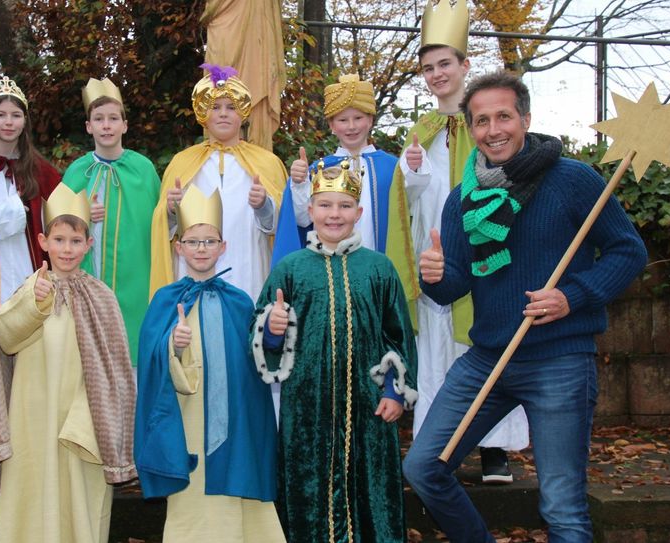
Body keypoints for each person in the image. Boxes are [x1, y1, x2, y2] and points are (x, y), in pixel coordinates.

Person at [401, 71, 647, 542]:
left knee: (562, 505)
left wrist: (572, 296)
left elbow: (627, 251)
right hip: (488, 358)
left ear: (525, 118)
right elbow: (454, 287)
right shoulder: (463, 199)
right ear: (471, 129)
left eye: (503, 116)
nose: (493, 129)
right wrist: (433, 276)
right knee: (423, 467)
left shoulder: (572, 179)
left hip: (560, 360)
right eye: (481, 120)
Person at [396, 0, 529, 483]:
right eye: (428, 68)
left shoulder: (489, 129)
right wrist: (409, 174)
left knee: (486, 347)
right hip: (437, 256)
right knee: (438, 354)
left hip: (486, 253)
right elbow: (408, 202)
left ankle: (496, 450)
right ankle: (442, 449)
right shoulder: (421, 131)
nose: (436, 75)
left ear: (465, 65)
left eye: (444, 64)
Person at [253, 160, 417, 542]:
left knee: (371, 488)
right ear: (310, 211)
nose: (334, 214)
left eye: (344, 206)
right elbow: (260, 331)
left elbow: (398, 335)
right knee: (308, 487)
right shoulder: (290, 270)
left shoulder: (379, 269)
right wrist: (273, 330)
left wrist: (394, 391)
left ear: (358, 213)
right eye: (325, 205)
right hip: (307, 410)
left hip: (369, 408)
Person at [0, 184, 137, 543]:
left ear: (88, 245)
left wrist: (92, 414)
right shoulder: (28, 288)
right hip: (32, 418)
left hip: (83, 420)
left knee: (81, 500)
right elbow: (4, 337)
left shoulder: (102, 297)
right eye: (59, 240)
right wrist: (34, 303)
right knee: (32, 496)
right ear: (43, 241)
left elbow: (115, 370)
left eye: (76, 241)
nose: (67, 249)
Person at [135, 185, 284, 543]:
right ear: (178, 248)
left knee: (236, 493)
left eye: (209, 241)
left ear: (223, 247)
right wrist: (172, 344)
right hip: (185, 421)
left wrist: (275, 331)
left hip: (233, 421)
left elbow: (258, 361)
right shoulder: (164, 300)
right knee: (193, 499)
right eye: (193, 241)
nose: (201, 249)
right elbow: (149, 359)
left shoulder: (240, 302)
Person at [277, 74, 417, 308]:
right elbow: (302, 219)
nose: (351, 126)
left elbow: (412, 207)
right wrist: (300, 184)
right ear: (331, 125)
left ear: (370, 119)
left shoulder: (393, 167)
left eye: (358, 118)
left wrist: (415, 169)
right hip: (328, 272)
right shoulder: (318, 169)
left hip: (377, 270)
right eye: (343, 120)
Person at [149, 64, 287, 302]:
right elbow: (165, 229)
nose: (223, 113)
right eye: (215, 107)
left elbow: (282, 227)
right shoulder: (183, 162)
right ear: (204, 113)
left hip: (249, 265)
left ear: (242, 113)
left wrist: (263, 204)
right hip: (195, 270)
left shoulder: (267, 162)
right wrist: (171, 211)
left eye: (231, 107)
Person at [61, 77, 160, 367]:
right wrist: (83, 217)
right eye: (99, 119)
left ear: (124, 125)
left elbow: (161, 225)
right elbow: (58, 228)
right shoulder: (76, 172)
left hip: (135, 278)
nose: (106, 125)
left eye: (113, 118)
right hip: (89, 278)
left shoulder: (143, 169)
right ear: (88, 126)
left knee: (133, 355)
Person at [0, 76, 61, 305]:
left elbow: (62, 217)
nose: (8, 122)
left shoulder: (42, 171)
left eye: (16, 115)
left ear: (24, 120)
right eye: (1, 115)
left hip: (25, 261)